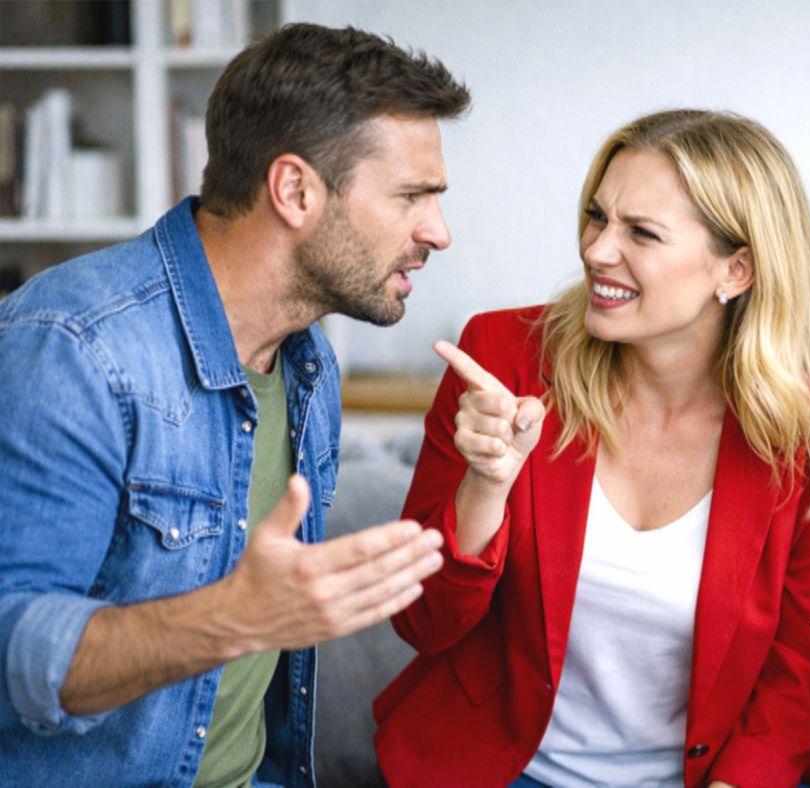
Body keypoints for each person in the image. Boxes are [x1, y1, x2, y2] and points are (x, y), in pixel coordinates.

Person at [0, 23, 469, 785]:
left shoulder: (306, 362)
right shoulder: (74, 348)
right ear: (295, 191)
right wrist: (232, 617)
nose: (438, 233)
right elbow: (11, 648)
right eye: (412, 196)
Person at [372, 109, 810, 786]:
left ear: (736, 270)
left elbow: (801, 669)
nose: (596, 251)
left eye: (641, 232)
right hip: (501, 769)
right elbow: (423, 622)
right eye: (597, 217)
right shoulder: (503, 360)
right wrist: (485, 486)